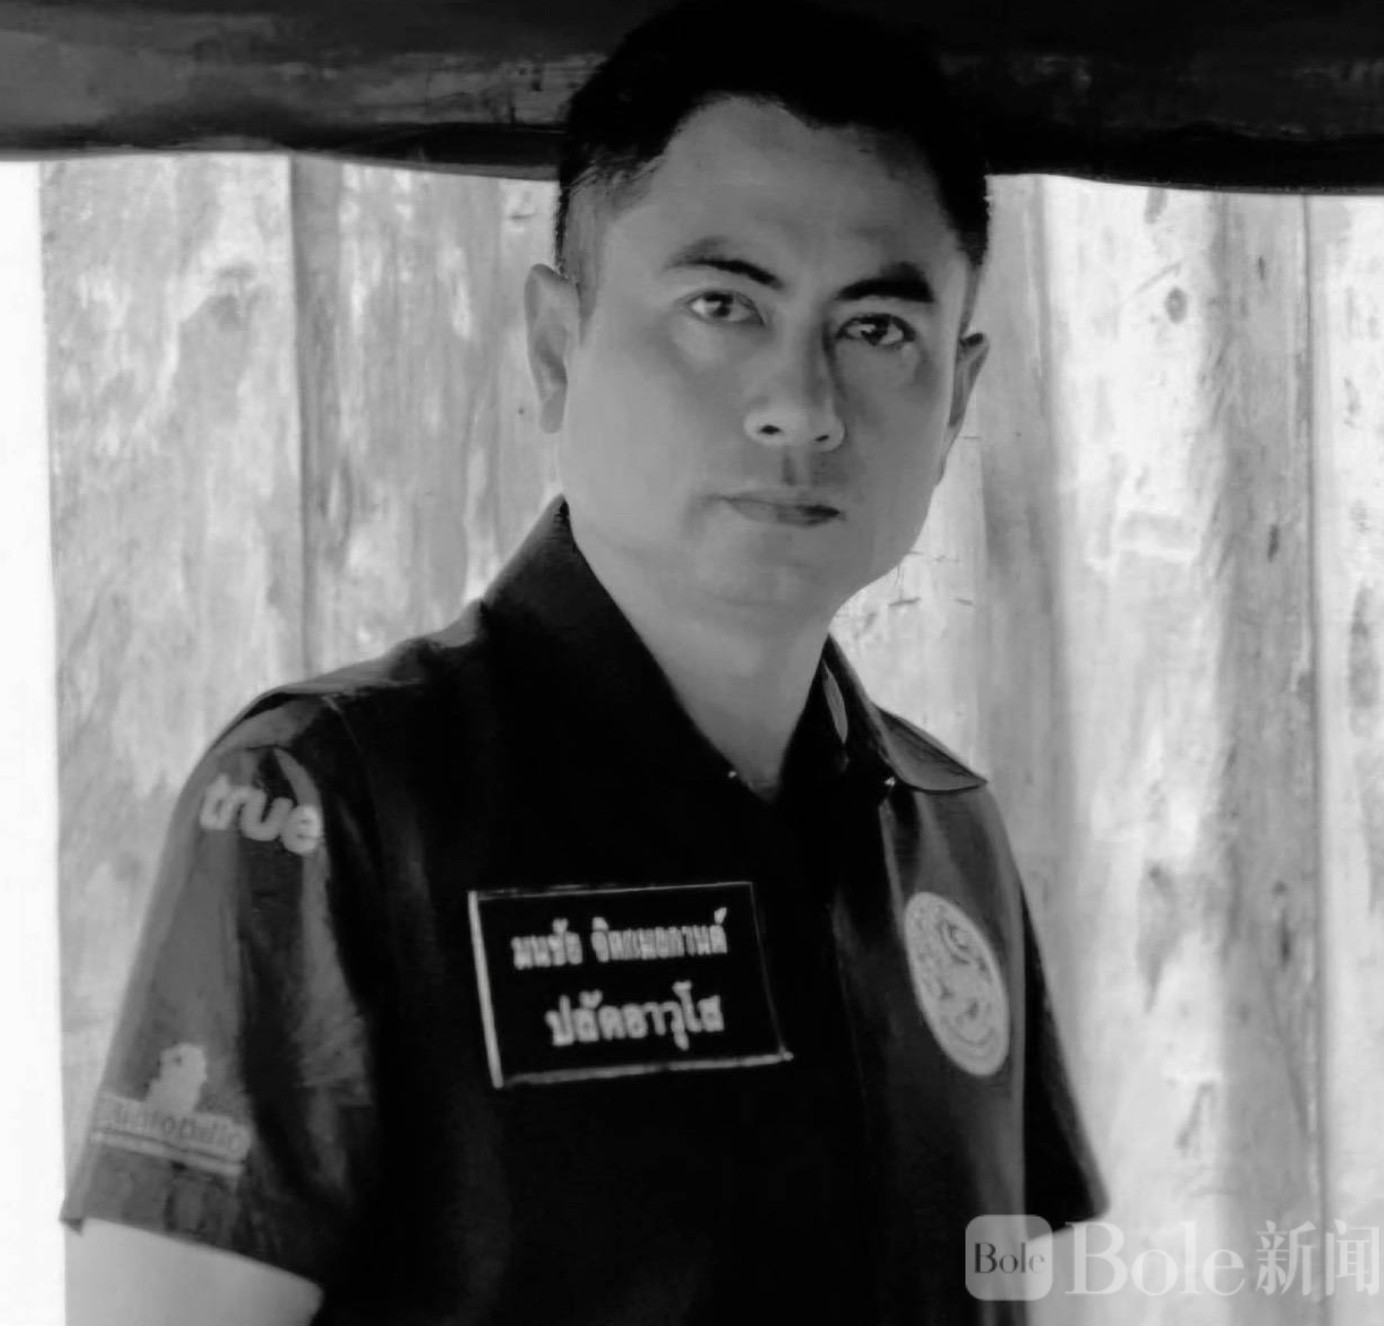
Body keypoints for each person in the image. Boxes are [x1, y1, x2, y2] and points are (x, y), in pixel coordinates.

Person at [61, 0, 1107, 1321]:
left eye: (876, 330)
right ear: (558, 349)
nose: (801, 405)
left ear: (956, 401)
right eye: (724, 305)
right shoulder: (332, 805)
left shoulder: (945, 828)